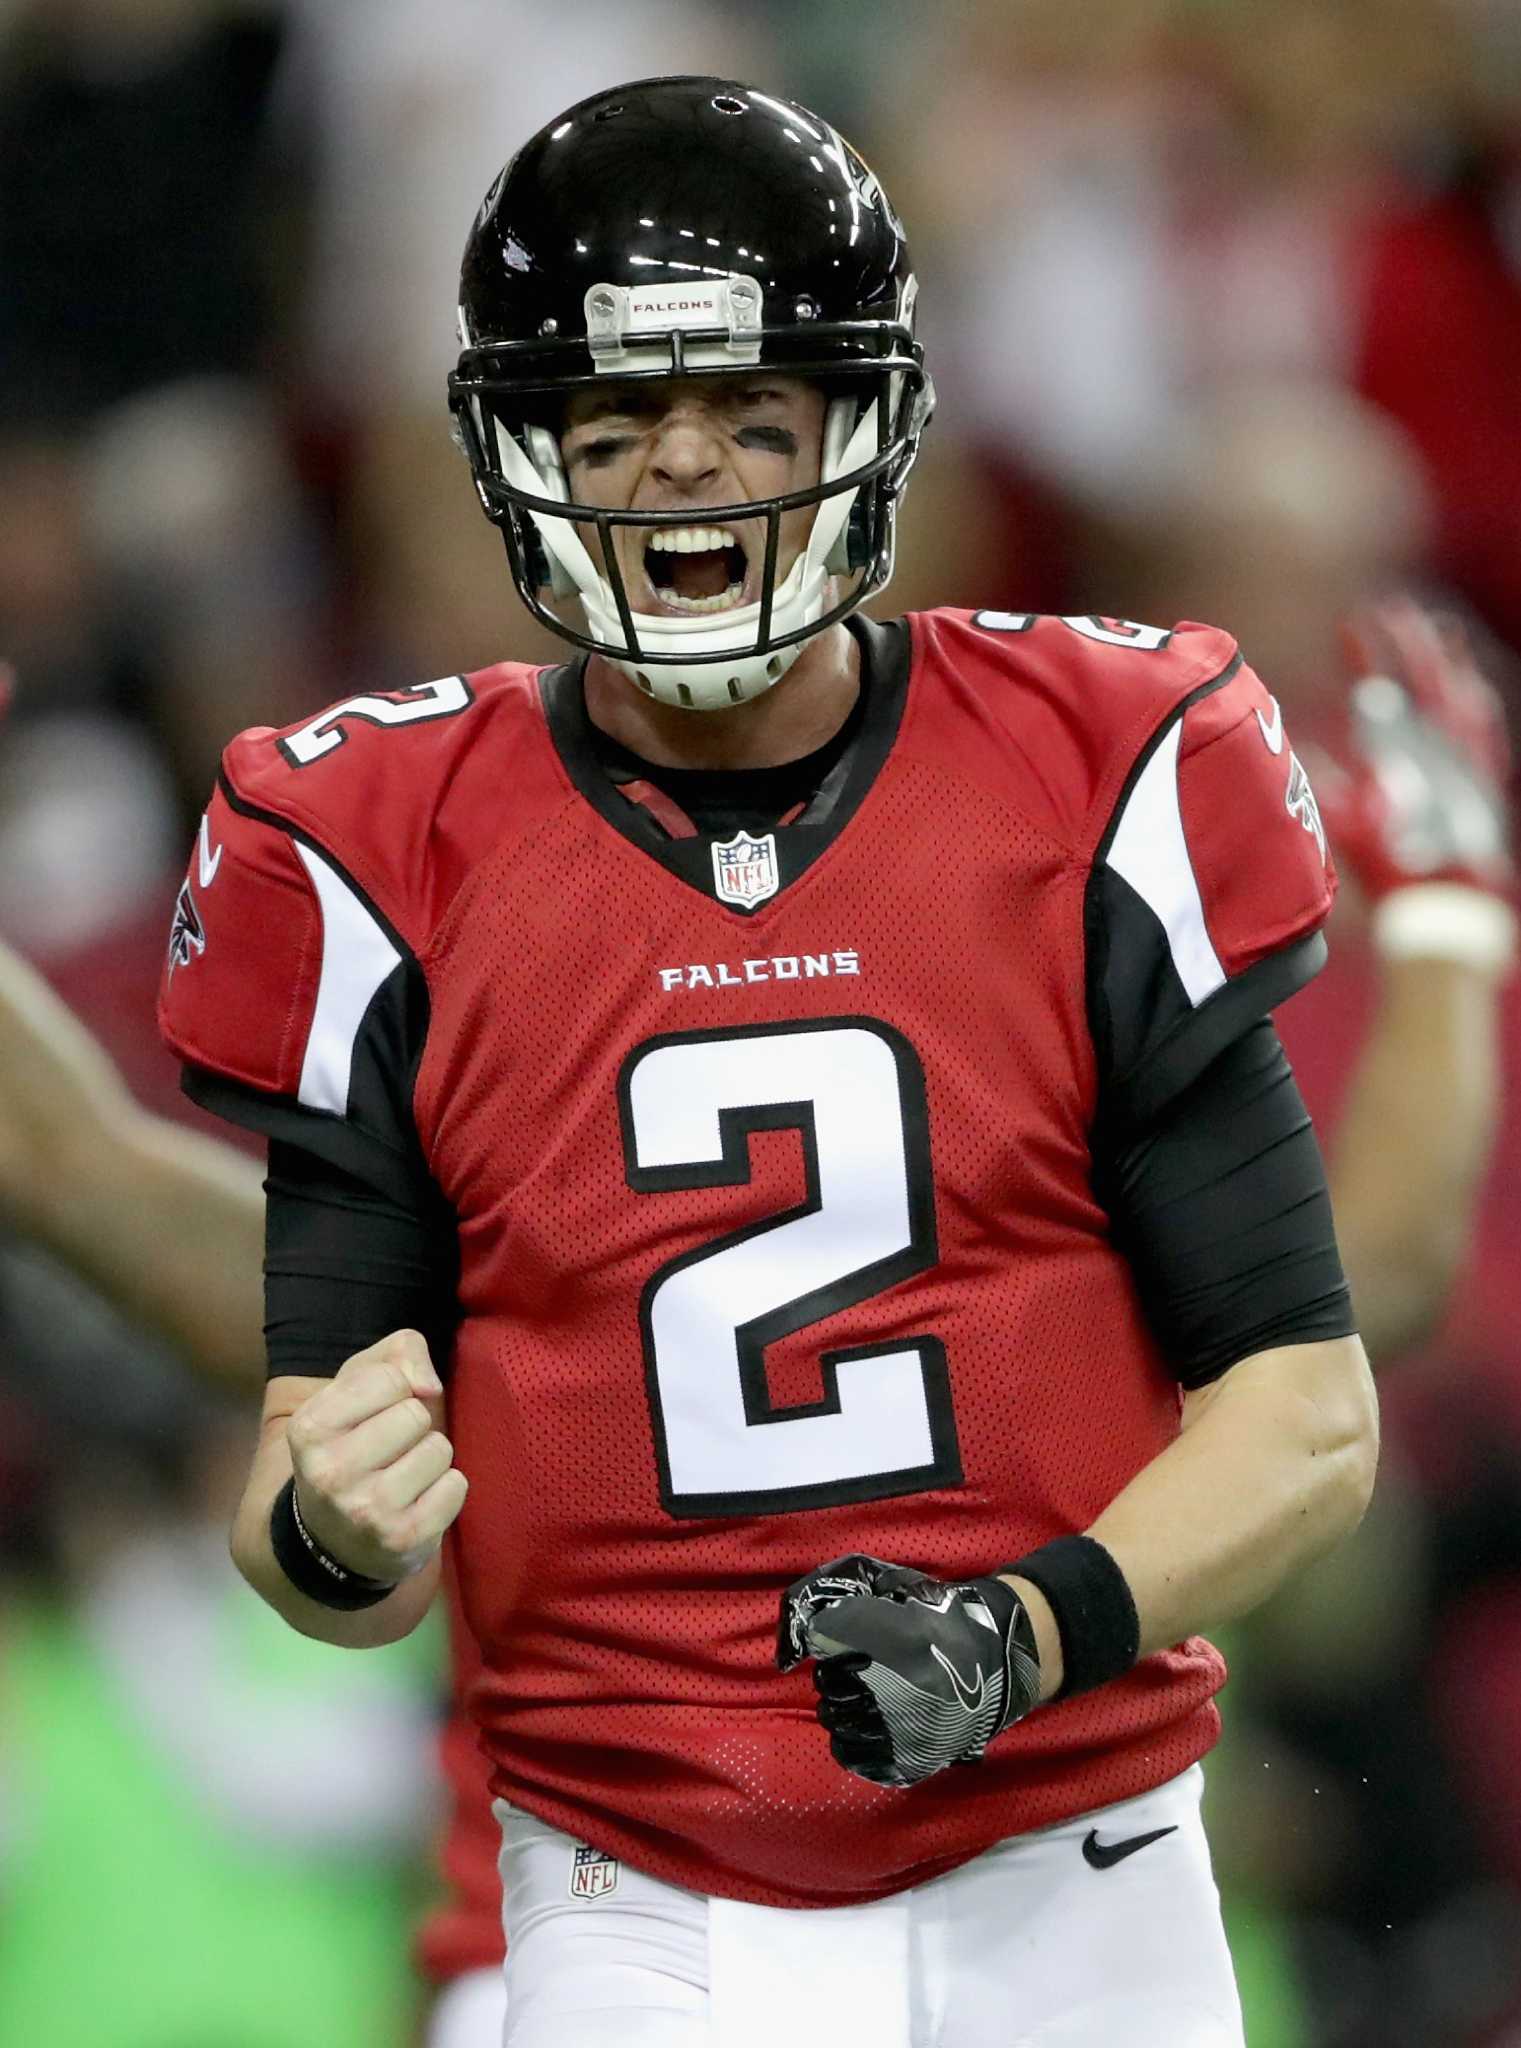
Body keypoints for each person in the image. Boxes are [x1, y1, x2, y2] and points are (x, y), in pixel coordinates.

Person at [152, 75, 1383, 2046]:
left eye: (745, 412)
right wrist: (330, 1525)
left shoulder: (1088, 767)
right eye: (616, 425)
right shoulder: (379, 838)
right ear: (518, 450)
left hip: (1076, 1846)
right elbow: (324, 1512)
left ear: (860, 422)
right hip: (630, 1880)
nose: (684, 473)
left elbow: (1307, 1412)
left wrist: (1019, 1630)